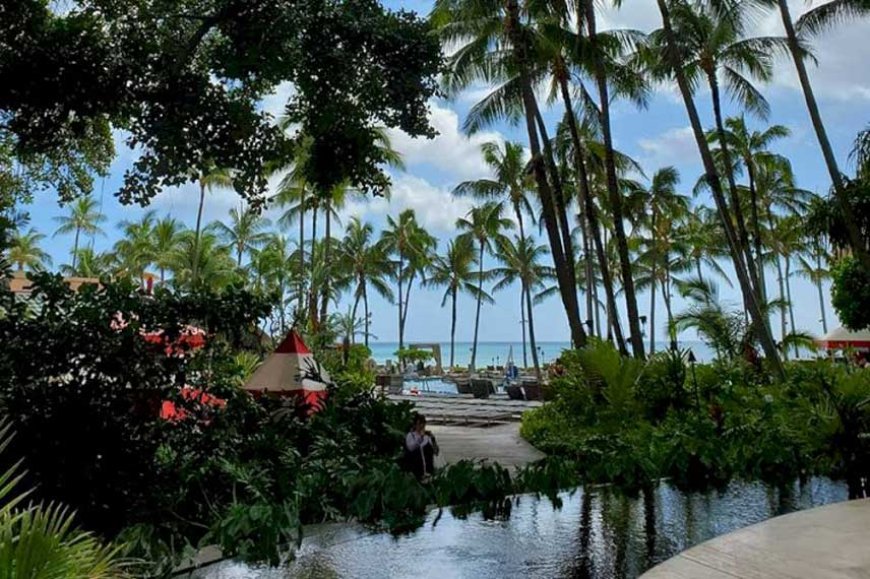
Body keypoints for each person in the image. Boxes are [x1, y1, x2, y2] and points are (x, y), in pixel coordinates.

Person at [404, 413, 439, 480]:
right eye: (419, 424)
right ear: (415, 425)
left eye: (423, 424)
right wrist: (420, 437)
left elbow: (436, 452)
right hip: (415, 467)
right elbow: (411, 447)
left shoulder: (428, 436)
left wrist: (433, 440)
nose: (421, 426)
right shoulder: (411, 435)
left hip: (428, 467)